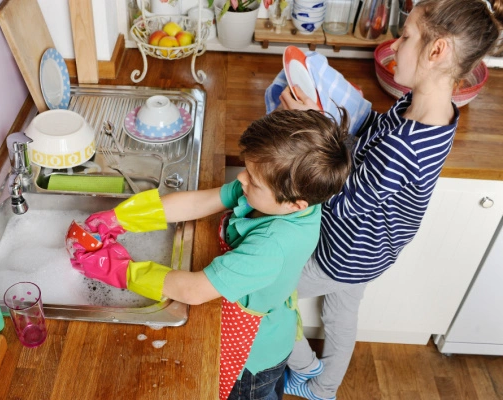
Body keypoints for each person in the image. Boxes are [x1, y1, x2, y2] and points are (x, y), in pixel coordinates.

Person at [277, 0, 503, 399]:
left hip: (346, 251)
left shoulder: (406, 143)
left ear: (437, 51)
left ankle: (305, 367)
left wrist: (312, 128)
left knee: (267, 292)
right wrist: (327, 117)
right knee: (341, 315)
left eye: (406, 36)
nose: (395, 46)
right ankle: (324, 388)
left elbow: (343, 201)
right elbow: (367, 146)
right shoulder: (429, 110)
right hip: (374, 249)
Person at [69, 109, 351, 400]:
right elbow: (199, 202)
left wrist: (117, 270)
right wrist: (121, 218)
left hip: (251, 360)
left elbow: (193, 290)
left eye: (253, 180)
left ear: (295, 203)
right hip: (273, 330)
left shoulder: (272, 245)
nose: (241, 177)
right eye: (246, 169)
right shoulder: (286, 195)